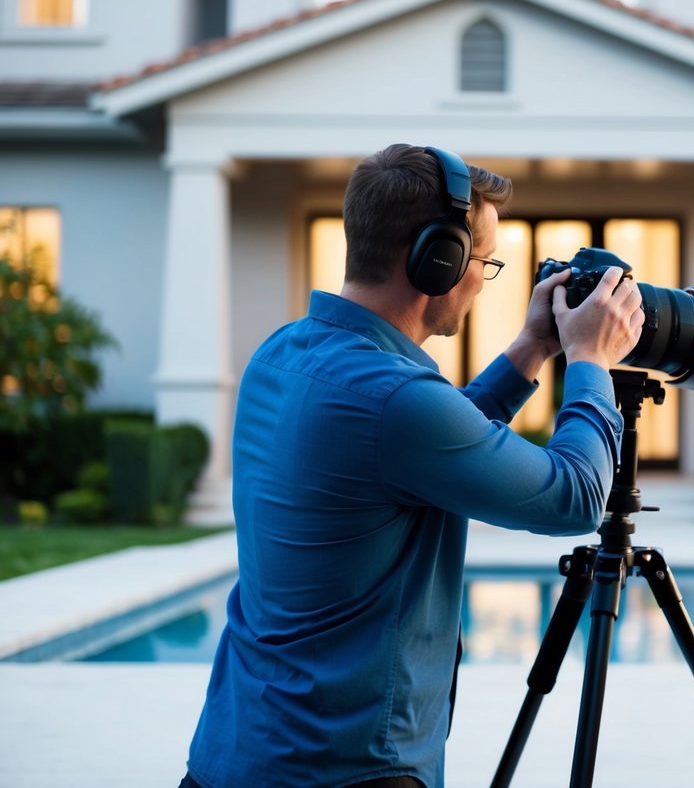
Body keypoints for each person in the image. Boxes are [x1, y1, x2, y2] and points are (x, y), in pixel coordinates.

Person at [179, 143, 645, 788]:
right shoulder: (396, 400)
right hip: (348, 769)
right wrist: (592, 361)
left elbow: (421, 443)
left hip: (234, 753)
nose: (483, 278)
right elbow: (572, 499)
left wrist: (534, 348)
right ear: (437, 259)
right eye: (485, 260)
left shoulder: (282, 353)